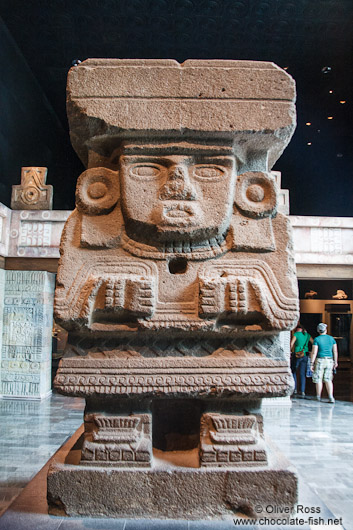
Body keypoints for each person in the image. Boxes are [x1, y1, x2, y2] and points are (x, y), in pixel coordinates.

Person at [310, 322, 338, 403]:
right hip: (329, 360)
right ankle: (331, 397)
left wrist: (311, 363)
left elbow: (314, 352)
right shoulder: (331, 339)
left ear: (318, 331)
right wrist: (335, 361)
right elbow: (335, 351)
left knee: (318, 379)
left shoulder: (317, 339)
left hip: (320, 360)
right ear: (326, 330)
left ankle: (318, 396)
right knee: (328, 379)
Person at [290, 323, 312, 397]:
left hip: (297, 355)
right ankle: (302, 391)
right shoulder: (307, 335)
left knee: (294, 372)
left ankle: (295, 389)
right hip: (305, 355)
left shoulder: (296, 334)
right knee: (302, 373)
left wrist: (289, 351)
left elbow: (291, 344)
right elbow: (313, 342)